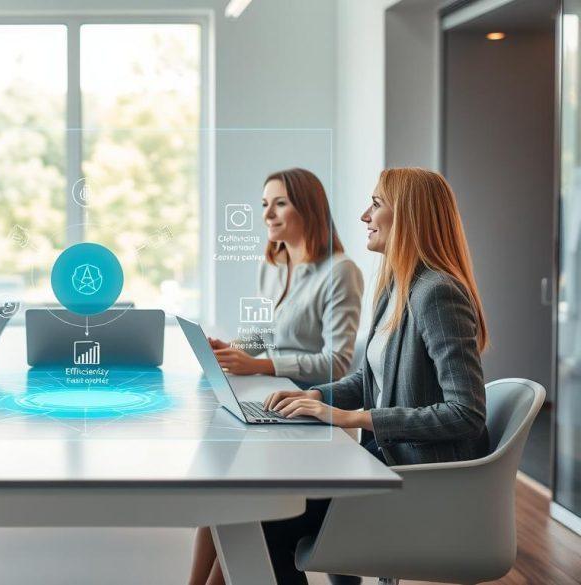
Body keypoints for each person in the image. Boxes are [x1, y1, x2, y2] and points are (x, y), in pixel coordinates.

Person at [188, 168, 490, 585]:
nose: (365, 216)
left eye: (377, 204)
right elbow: (367, 379)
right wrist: (312, 396)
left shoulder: (437, 292)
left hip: (418, 480)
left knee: (259, 515)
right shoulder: (397, 288)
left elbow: (466, 412)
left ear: (409, 215)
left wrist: (355, 418)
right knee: (245, 503)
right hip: (385, 465)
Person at [208, 168, 364, 388]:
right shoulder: (269, 267)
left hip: (310, 399)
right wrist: (231, 350)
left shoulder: (340, 271)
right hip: (274, 390)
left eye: (280, 204)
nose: (268, 214)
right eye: (265, 204)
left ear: (308, 210)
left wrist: (260, 366)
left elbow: (336, 364)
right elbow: (264, 335)